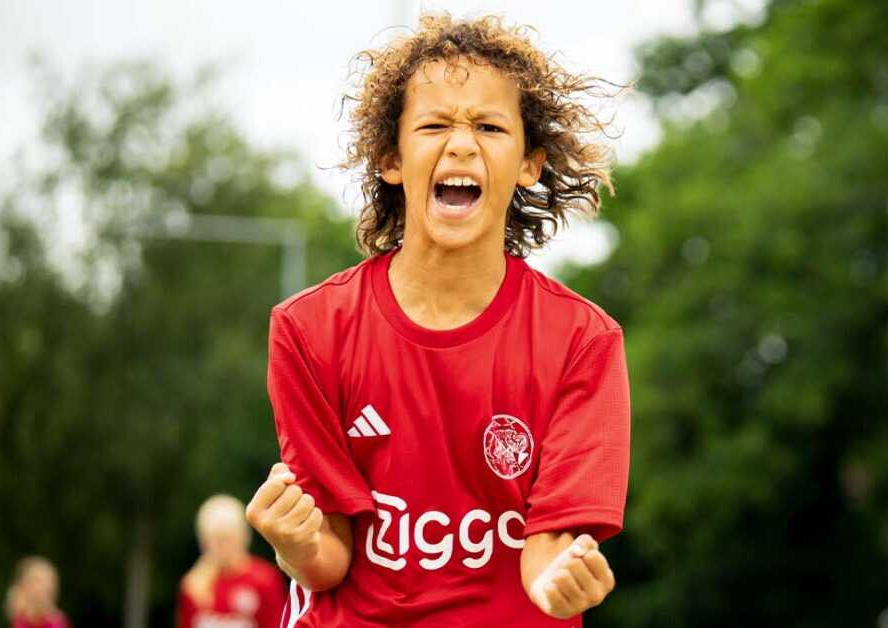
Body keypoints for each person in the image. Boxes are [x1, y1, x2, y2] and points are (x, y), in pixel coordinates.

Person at [244, 13, 630, 626]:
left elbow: (549, 547)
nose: (461, 144)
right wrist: (293, 542)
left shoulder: (583, 340)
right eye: (434, 125)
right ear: (391, 159)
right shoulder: (309, 328)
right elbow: (329, 559)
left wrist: (560, 581)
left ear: (529, 164)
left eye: (489, 126)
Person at [178, 494, 287, 628]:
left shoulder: (264, 579)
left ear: (243, 536)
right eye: (214, 539)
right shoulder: (193, 586)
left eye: (227, 538)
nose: (221, 546)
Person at [5, 556, 70, 628]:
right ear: (25, 584)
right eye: (39, 581)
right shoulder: (19, 617)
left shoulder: (57, 621)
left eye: (48, 582)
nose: (45, 587)